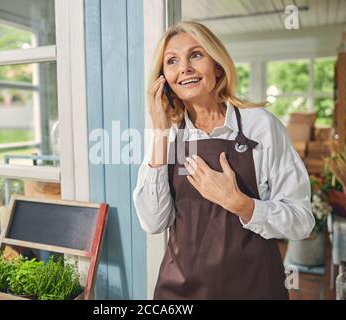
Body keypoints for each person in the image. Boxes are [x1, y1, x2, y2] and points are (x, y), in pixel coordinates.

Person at [133, 21, 315, 300]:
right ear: (163, 79)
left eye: (195, 55)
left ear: (217, 66)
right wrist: (159, 133)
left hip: (255, 287)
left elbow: (302, 221)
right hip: (180, 292)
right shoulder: (165, 137)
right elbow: (153, 222)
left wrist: (240, 204)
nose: (185, 68)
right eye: (172, 61)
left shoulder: (260, 126)